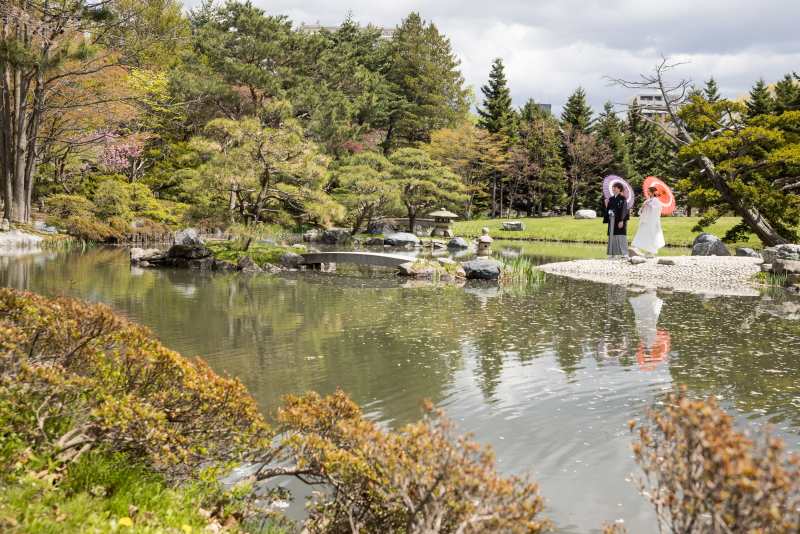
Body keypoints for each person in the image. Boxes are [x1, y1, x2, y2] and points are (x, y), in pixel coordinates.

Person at [631, 186, 666, 258]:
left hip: (651, 222)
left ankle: (651, 252)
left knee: (650, 237)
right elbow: (641, 211)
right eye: (648, 191)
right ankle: (648, 251)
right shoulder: (646, 200)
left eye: (649, 191)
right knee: (645, 237)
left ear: (653, 193)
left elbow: (659, 209)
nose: (648, 192)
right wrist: (642, 209)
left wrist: (650, 206)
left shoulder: (656, 200)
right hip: (645, 221)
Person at [603, 183, 630, 259]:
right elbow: (609, 209)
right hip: (612, 220)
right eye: (613, 187)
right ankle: (613, 254)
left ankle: (625, 253)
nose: (614, 188)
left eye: (615, 187)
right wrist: (606, 205)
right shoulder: (611, 199)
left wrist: (622, 221)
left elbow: (624, 210)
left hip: (619, 219)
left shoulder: (622, 198)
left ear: (619, 189)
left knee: (621, 236)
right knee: (612, 236)